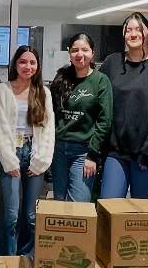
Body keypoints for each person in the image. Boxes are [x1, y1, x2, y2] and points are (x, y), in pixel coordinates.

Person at [98, 12, 148, 199]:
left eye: (138, 29)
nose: (133, 34)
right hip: (116, 152)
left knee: (140, 212)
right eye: (128, 30)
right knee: (109, 206)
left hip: (147, 155)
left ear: (147, 33)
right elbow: (99, 100)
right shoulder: (112, 63)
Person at [0, 45, 54, 256]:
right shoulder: (3, 90)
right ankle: (6, 258)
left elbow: (48, 129)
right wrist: (9, 161)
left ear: (38, 66)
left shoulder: (43, 92)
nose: (28, 66)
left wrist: (41, 161)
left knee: (31, 215)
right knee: (11, 214)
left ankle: (26, 258)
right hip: (11, 152)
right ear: (15, 65)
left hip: (34, 153)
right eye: (23, 62)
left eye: (32, 62)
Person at [48, 33, 112, 202]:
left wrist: (93, 155)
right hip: (59, 149)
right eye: (75, 50)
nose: (80, 54)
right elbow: (51, 113)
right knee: (59, 201)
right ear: (69, 53)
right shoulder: (61, 78)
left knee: (79, 203)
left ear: (92, 53)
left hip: (84, 152)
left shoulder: (100, 81)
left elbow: (105, 121)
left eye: (85, 50)